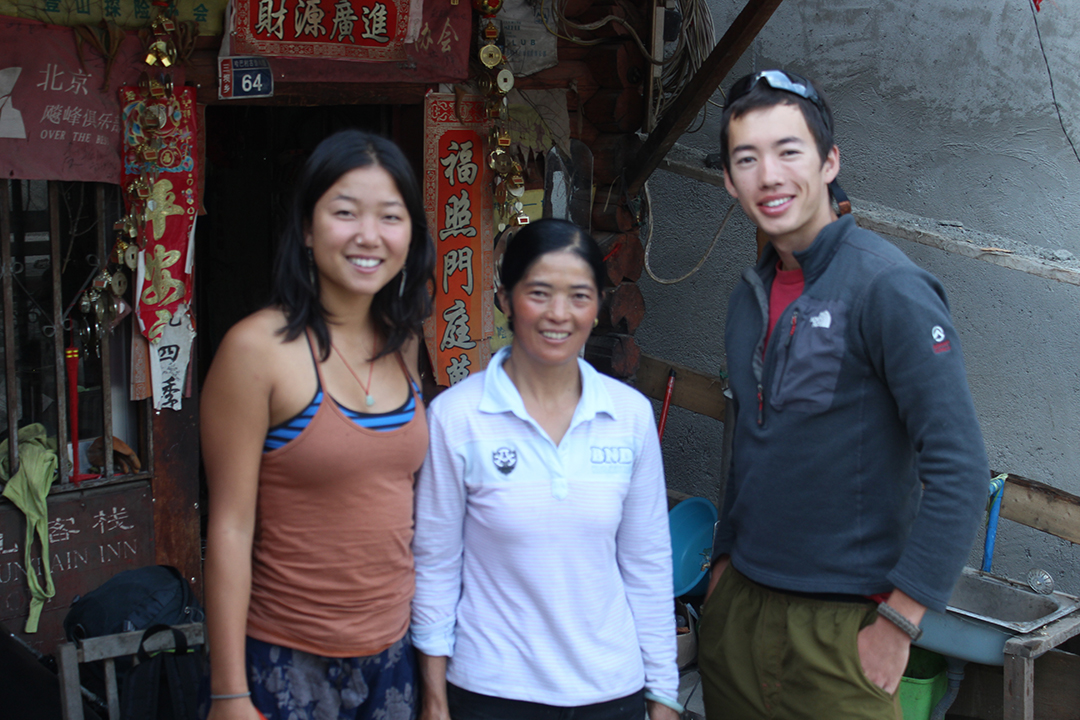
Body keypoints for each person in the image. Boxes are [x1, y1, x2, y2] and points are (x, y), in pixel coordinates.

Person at [698, 70, 989, 719]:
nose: (769, 175)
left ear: (829, 161)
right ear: (728, 179)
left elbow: (960, 468)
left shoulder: (889, 288)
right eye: (747, 159)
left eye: (788, 151)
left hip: (843, 631)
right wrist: (722, 568)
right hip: (739, 612)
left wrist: (902, 621)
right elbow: (746, 445)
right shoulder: (748, 298)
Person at [200, 129, 435, 720]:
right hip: (288, 661)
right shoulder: (257, 350)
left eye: (390, 216)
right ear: (307, 228)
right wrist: (229, 693)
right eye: (345, 212)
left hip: (392, 656)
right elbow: (229, 528)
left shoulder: (404, 343)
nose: (368, 235)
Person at [411, 218, 682, 720]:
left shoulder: (629, 417)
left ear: (598, 307)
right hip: (489, 690)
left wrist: (663, 694)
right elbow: (434, 565)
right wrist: (433, 696)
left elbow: (647, 567)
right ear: (505, 298)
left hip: (608, 692)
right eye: (539, 292)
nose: (559, 314)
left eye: (579, 296)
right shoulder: (457, 417)